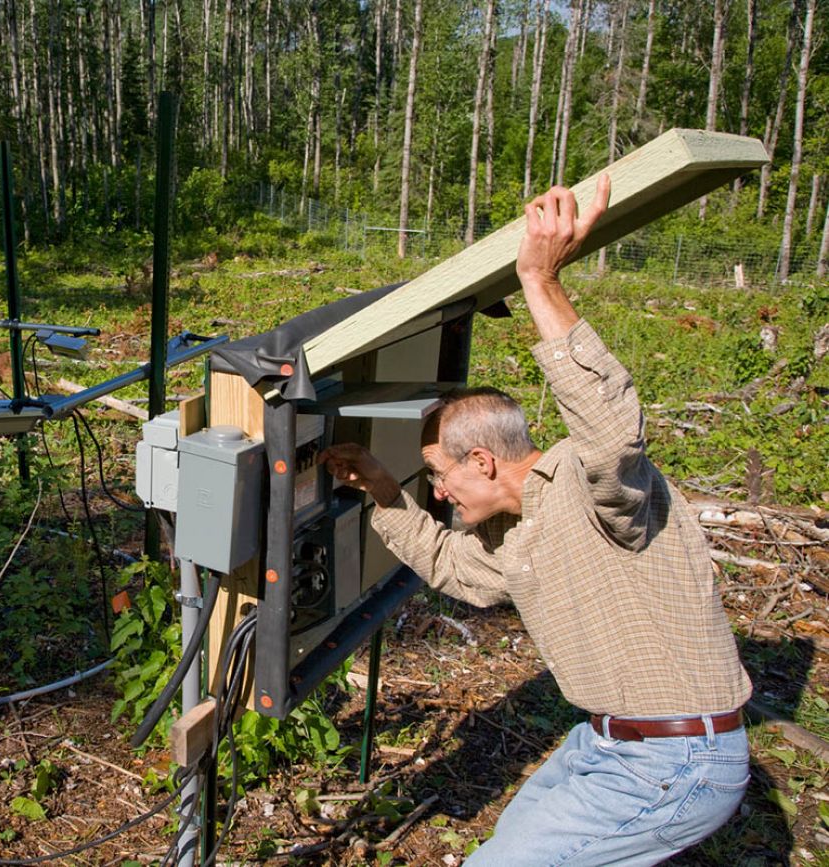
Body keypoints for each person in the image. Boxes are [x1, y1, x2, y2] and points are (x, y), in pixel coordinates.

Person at [322, 176, 752, 865]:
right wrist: (379, 488)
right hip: (610, 743)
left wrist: (539, 282)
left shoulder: (594, 490)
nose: (437, 492)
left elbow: (613, 436)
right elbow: (458, 570)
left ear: (485, 461)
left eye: (440, 474)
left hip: (677, 756)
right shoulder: (518, 528)